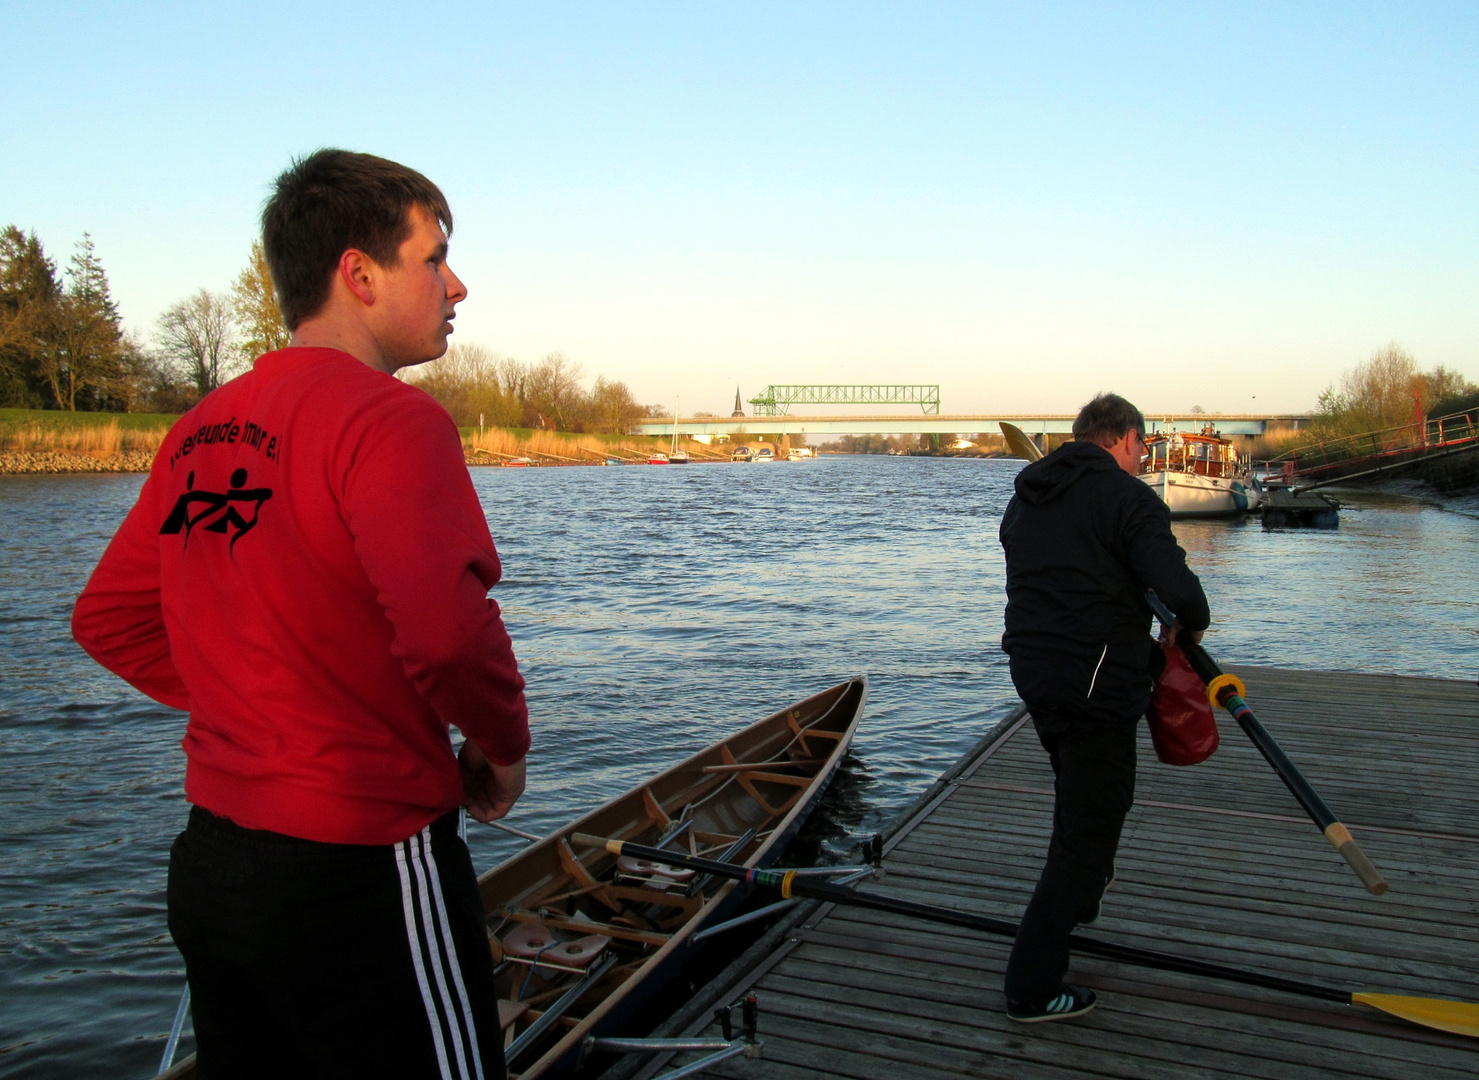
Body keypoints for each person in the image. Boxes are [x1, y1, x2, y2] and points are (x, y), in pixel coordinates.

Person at [72, 149, 530, 1080]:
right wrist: (502, 745)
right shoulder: (391, 421)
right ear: (358, 274)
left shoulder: (201, 427)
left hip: (214, 869)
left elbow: (110, 619)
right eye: (434, 257)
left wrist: (258, 707)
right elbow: (446, 631)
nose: (459, 285)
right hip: (363, 870)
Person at [998, 392, 1209, 1023]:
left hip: (1034, 674)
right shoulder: (1128, 498)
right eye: (1142, 448)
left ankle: (1081, 899)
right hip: (1095, 686)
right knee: (1090, 830)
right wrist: (1185, 626)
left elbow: (1067, 577)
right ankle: (1031, 988)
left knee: (1082, 803)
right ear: (1122, 439)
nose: (1144, 460)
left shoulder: (1026, 497)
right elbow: (1183, 597)